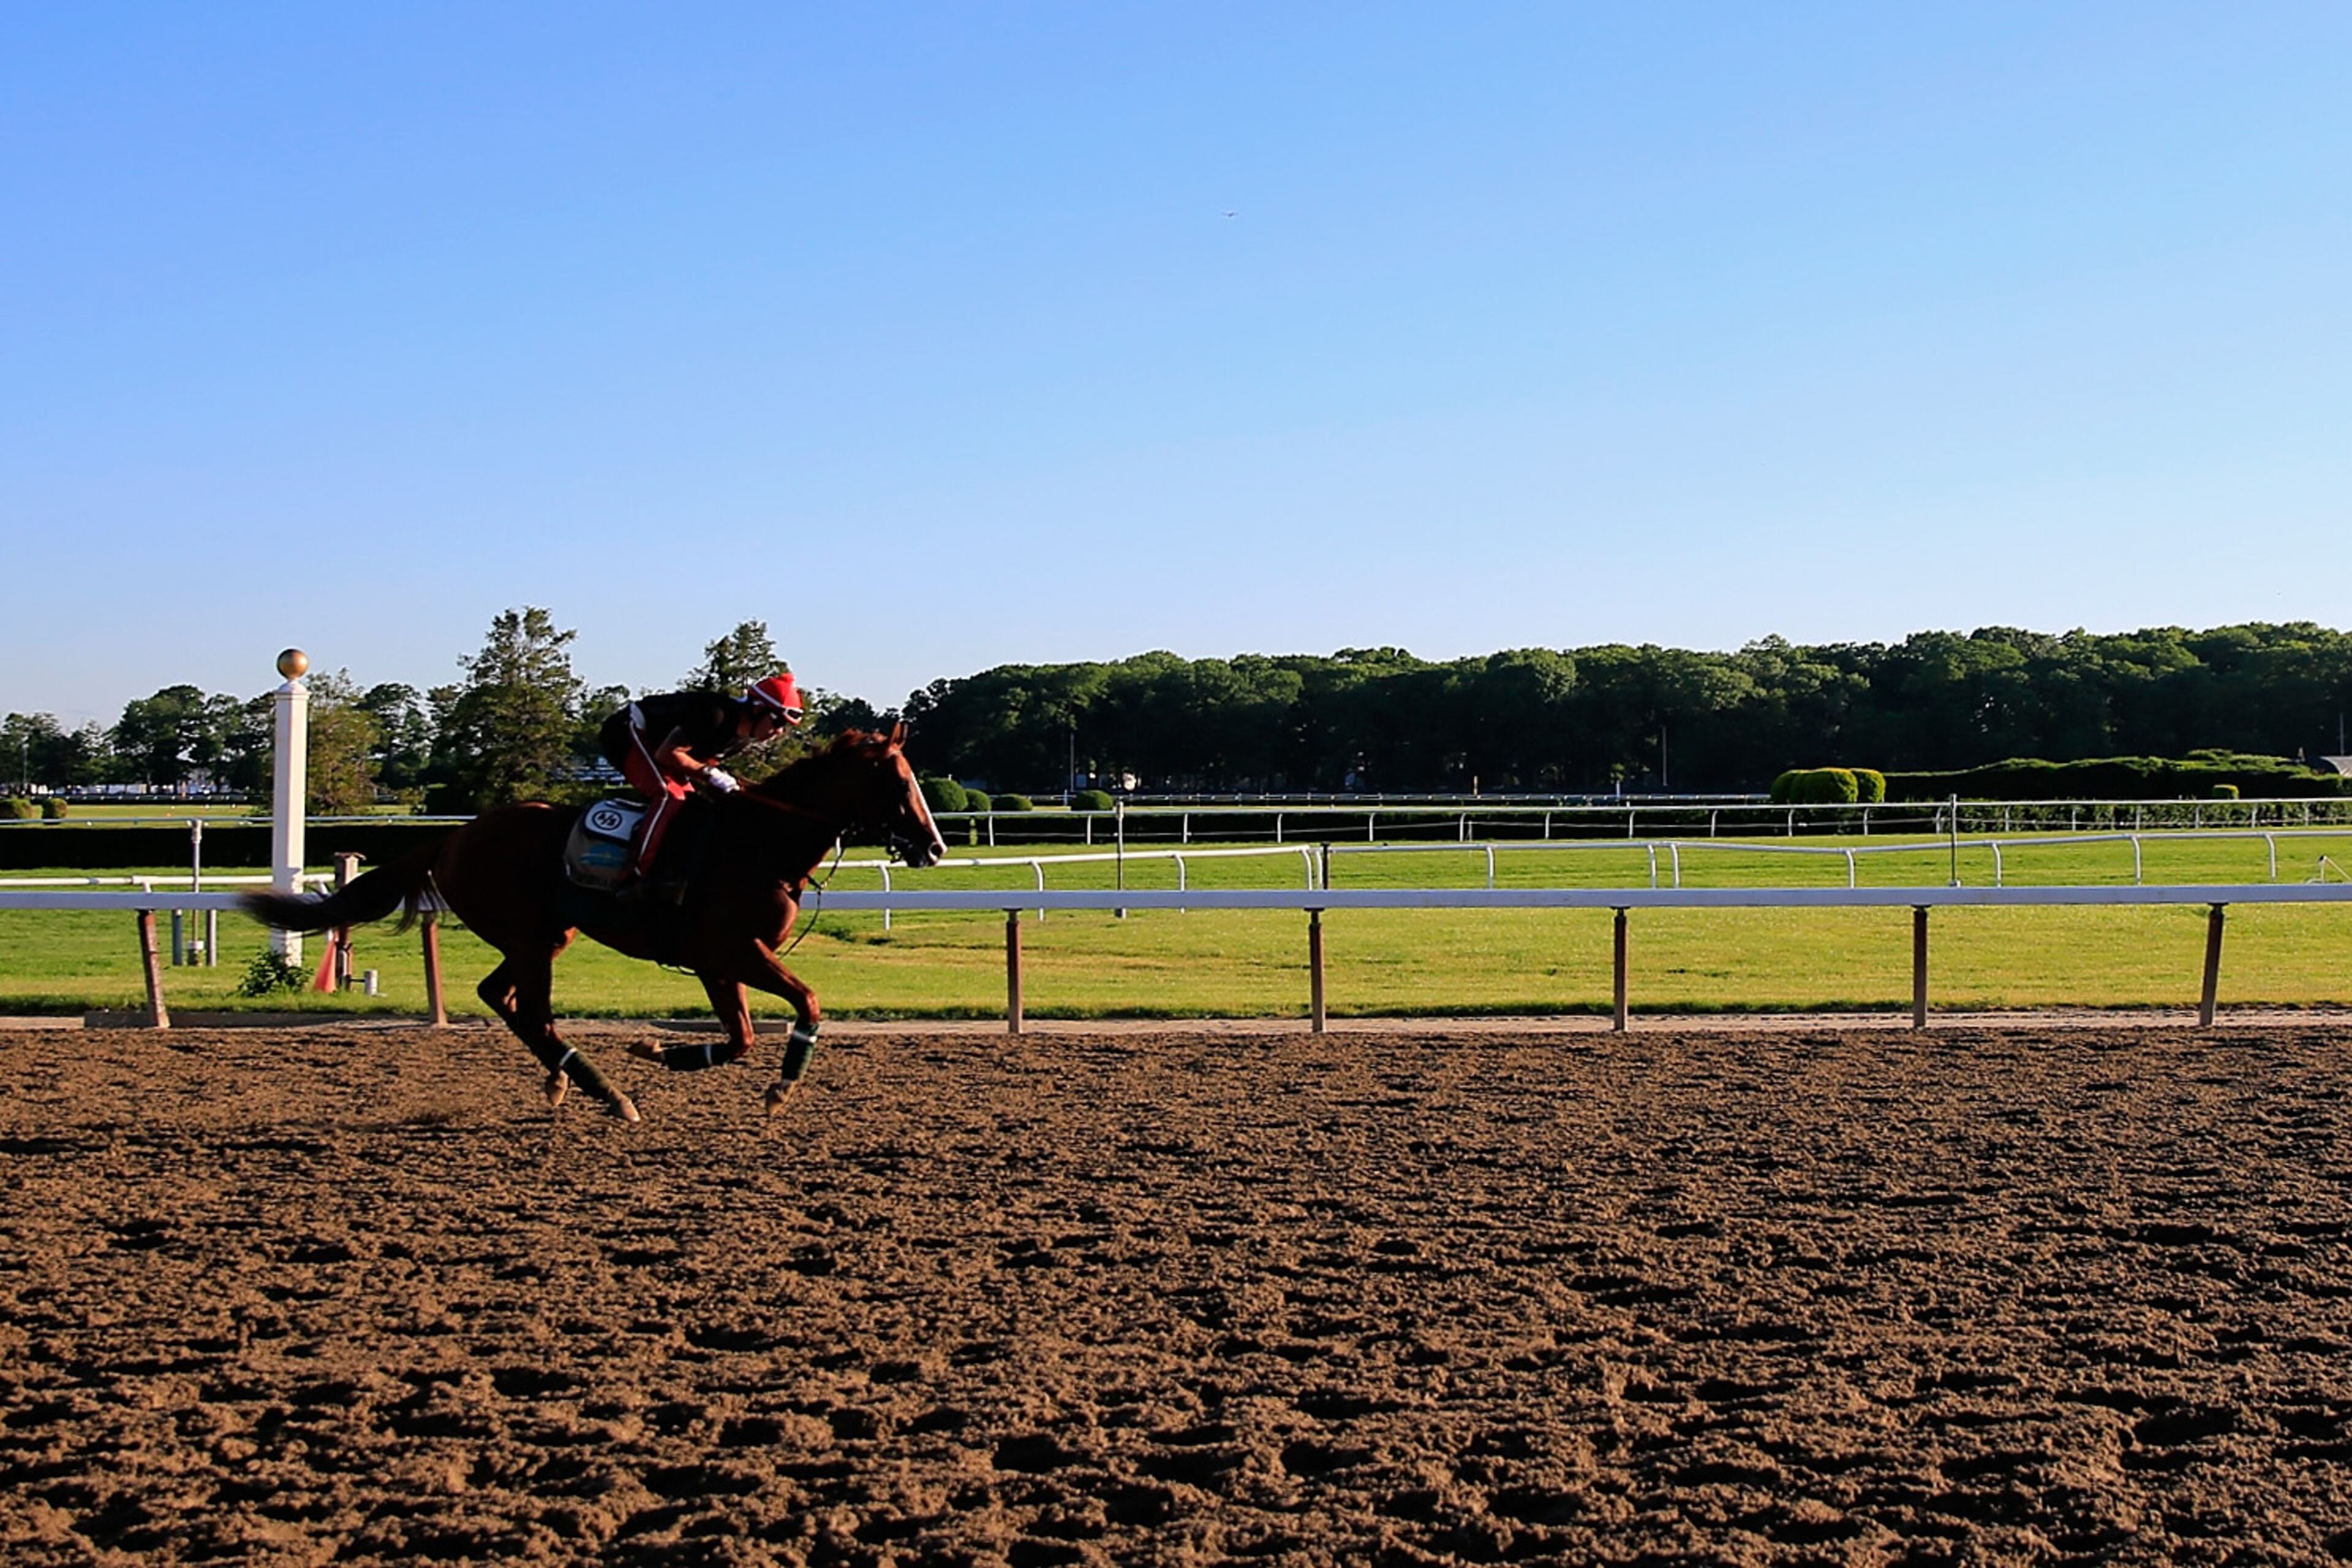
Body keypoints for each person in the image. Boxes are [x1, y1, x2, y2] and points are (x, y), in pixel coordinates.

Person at [598, 672, 804, 884]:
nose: (779, 732)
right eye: (778, 721)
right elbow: (668, 754)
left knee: (690, 804)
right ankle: (635, 874)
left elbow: (698, 766)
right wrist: (711, 775)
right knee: (669, 796)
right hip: (627, 729)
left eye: (785, 726)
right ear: (757, 708)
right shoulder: (716, 715)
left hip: (660, 744)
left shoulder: (741, 741)